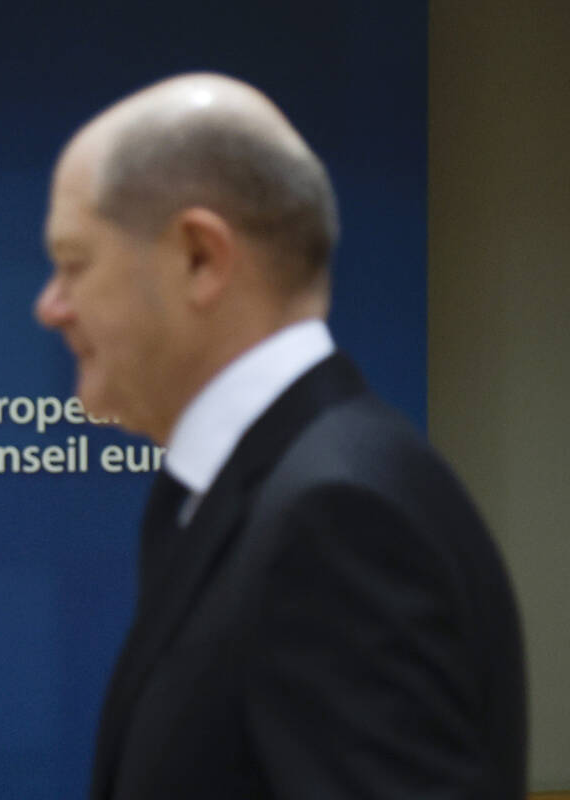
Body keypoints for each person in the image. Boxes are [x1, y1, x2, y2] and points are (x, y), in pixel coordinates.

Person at [35, 73, 526, 799]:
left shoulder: (337, 520)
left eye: (75, 264)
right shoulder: (255, 494)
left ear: (200, 258)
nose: (52, 306)